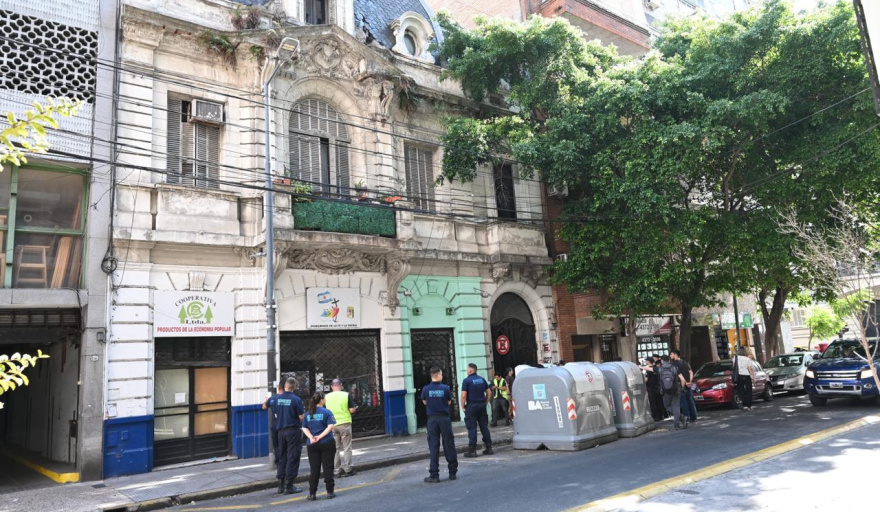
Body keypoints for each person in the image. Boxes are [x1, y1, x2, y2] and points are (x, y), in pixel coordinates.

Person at [421, 367, 458, 483]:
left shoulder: (426, 389)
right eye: (441, 374)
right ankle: (452, 472)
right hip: (444, 419)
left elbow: (424, 402)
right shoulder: (445, 388)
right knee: (449, 444)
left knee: (433, 446)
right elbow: (449, 402)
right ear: (438, 375)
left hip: (432, 420)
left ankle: (434, 475)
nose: (442, 376)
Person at [272, 377, 305, 494]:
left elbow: (276, 415)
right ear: (294, 387)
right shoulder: (296, 399)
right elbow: (301, 417)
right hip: (292, 431)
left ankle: (280, 485)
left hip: (280, 431)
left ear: (285, 386)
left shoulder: (277, 399)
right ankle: (289, 485)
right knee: (293, 456)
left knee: (282, 456)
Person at [302, 391, 337, 501]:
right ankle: (330, 492)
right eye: (325, 398)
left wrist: (311, 437)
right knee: (328, 467)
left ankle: (312, 493)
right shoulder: (327, 412)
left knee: (314, 469)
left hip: (312, 444)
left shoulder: (308, 413)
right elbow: (330, 426)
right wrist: (320, 437)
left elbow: (304, 427)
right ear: (321, 400)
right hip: (327, 442)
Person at [641, 355, 688, 429]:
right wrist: (681, 388)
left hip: (666, 391)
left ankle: (681, 418)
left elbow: (649, 368)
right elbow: (683, 380)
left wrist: (640, 367)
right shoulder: (675, 368)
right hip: (676, 390)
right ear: (669, 360)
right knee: (676, 407)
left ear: (662, 361)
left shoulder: (660, 369)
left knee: (667, 406)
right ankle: (677, 425)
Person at [326, 379, 358, 478]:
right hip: (345, 424)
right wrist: (355, 408)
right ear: (341, 385)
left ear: (332, 387)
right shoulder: (346, 395)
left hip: (332, 425)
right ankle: (348, 469)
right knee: (347, 447)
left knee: (335, 448)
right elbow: (352, 410)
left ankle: (336, 471)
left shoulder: (326, 397)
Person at [461, 363, 493, 457]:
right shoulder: (482, 379)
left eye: (467, 369)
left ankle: (472, 451)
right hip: (482, 406)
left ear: (470, 370)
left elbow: (463, 396)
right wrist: (485, 403)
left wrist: (463, 406)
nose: (467, 371)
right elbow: (489, 393)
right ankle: (489, 448)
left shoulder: (466, 381)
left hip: (471, 406)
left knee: (472, 428)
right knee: (484, 426)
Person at [671, 350, 698, 423]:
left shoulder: (673, 364)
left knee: (683, 401)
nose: (670, 356)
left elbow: (680, 376)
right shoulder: (685, 362)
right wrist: (690, 381)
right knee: (690, 400)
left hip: (681, 384)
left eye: (671, 354)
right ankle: (694, 416)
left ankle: (687, 416)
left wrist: (685, 382)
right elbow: (691, 372)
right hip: (688, 384)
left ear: (675, 354)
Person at [262, 383, 285, 466]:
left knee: (276, 445)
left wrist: (266, 400)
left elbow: (264, 407)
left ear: (278, 388)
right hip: (283, 425)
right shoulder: (285, 398)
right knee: (284, 444)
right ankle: (283, 461)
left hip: (274, 425)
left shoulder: (272, 398)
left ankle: (278, 461)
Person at [733, 347, 756, 411]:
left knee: (740, 390)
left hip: (739, 376)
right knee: (748, 390)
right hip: (746, 375)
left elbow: (734, 367)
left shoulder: (735, 358)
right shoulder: (747, 359)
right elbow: (749, 369)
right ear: (745, 352)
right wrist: (753, 376)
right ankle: (749, 406)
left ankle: (741, 401)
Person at [645, 355, 664, 422]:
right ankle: (660, 415)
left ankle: (655, 416)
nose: (646, 361)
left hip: (651, 388)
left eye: (646, 360)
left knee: (652, 402)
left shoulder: (648, 370)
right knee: (658, 401)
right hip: (657, 387)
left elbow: (646, 379)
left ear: (648, 361)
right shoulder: (656, 368)